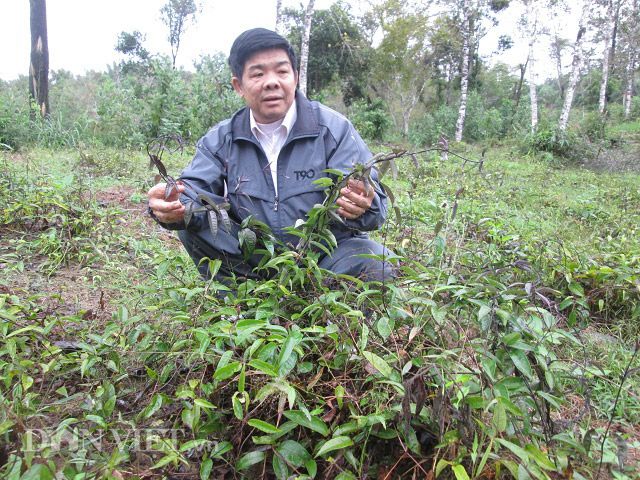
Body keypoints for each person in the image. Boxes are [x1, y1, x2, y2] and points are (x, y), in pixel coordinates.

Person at [147, 28, 393, 284]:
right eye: (258, 73)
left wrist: (364, 204)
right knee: (193, 224)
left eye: (282, 71)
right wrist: (171, 204)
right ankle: (244, 304)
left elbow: (374, 206)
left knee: (377, 260)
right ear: (238, 85)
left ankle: (322, 305)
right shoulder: (221, 138)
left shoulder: (334, 130)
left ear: (295, 77)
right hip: (253, 260)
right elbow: (192, 190)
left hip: (325, 261)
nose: (272, 81)